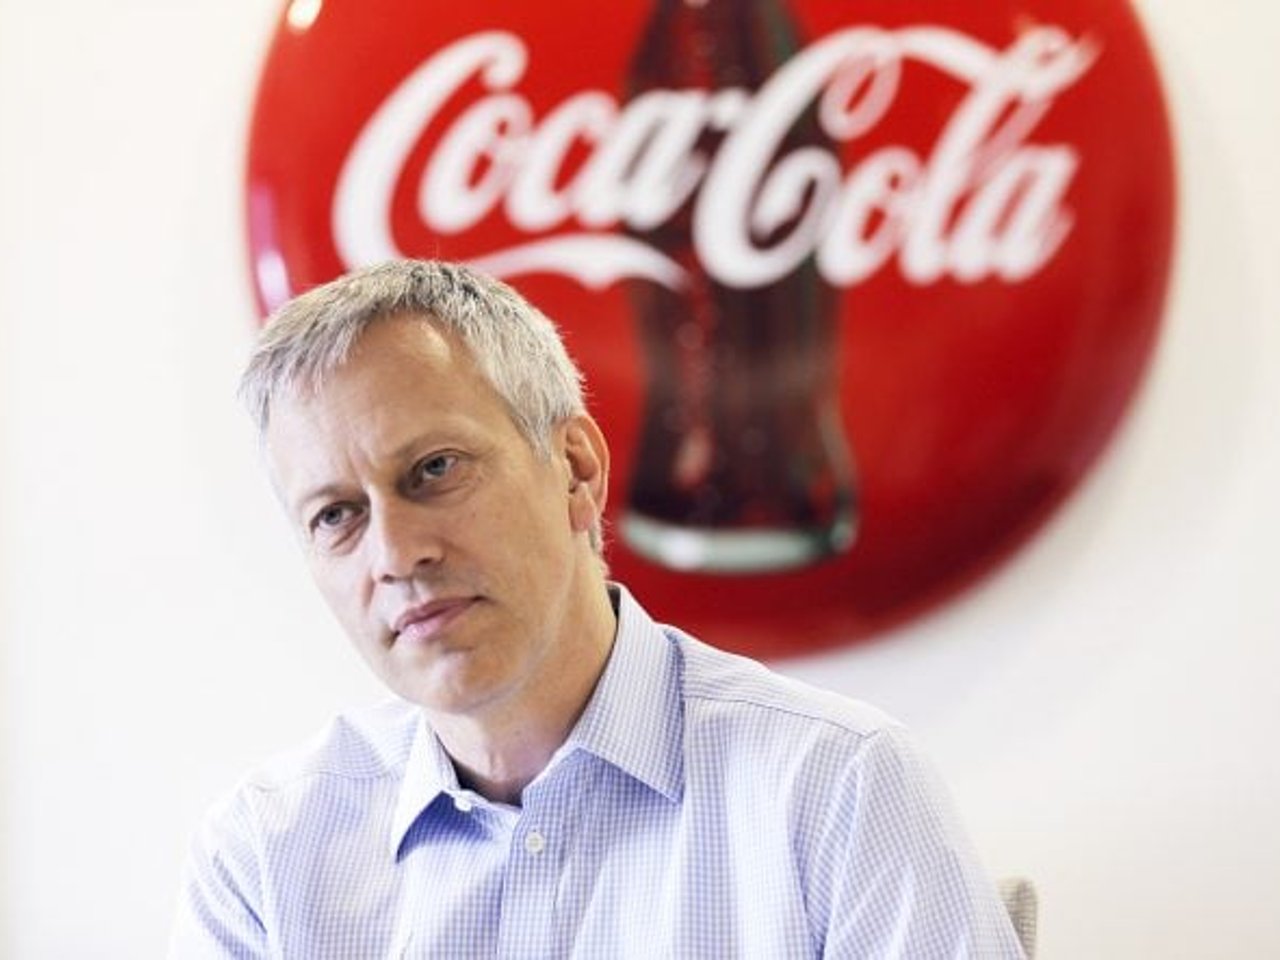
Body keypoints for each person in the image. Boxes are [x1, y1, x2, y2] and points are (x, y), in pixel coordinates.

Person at [170, 260, 1025, 958]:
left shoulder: (835, 788)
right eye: (336, 516)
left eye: (434, 470)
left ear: (576, 470)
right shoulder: (265, 857)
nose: (396, 555)